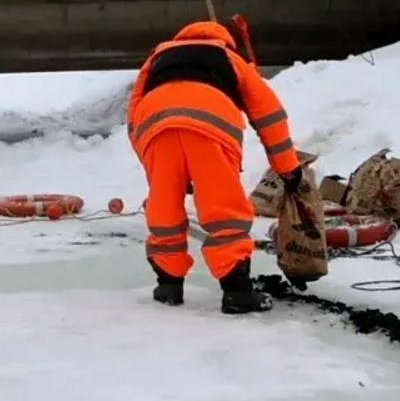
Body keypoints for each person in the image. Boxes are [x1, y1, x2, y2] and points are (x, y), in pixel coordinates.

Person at [127, 19, 302, 314]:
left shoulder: (158, 56)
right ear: (224, 39)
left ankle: (168, 284)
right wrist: (288, 168)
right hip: (213, 122)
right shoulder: (231, 58)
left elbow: (133, 113)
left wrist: (153, 161)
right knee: (223, 207)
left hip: (155, 124)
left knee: (164, 202)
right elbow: (270, 116)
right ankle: (237, 292)